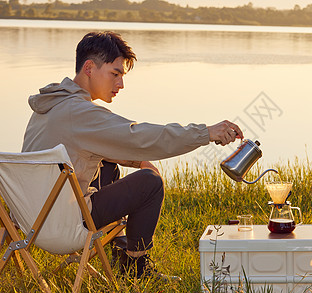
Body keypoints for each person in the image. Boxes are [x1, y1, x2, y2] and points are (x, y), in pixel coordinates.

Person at [21, 31, 243, 280]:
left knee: (108, 166)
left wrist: (137, 161)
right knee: (149, 183)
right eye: (115, 74)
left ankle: (120, 247)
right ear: (89, 68)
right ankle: (137, 269)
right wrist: (206, 133)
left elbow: (98, 145)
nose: (121, 84)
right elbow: (140, 136)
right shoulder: (80, 113)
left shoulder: (49, 105)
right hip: (62, 228)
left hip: (31, 221)